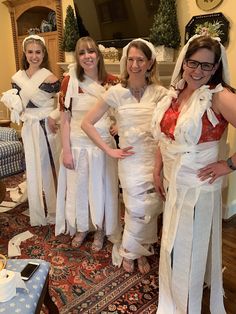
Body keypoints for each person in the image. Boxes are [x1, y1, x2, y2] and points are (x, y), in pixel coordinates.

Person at [152, 35, 236, 314]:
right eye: (193, 63)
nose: (198, 71)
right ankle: (178, 296)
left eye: (206, 66)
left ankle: (184, 304)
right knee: (174, 243)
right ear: (184, 61)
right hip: (174, 180)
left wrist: (229, 165)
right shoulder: (176, 92)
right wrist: (157, 168)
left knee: (187, 246)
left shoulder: (219, 96)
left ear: (216, 68)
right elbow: (165, 138)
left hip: (199, 185)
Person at [81, 38, 167, 273]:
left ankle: (140, 250)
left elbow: (166, 130)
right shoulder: (116, 93)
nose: (135, 65)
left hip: (153, 160)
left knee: (150, 209)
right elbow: (86, 123)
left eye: (140, 60)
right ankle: (130, 251)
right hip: (129, 161)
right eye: (131, 59)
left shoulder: (161, 93)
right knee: (134, 208)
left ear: (150, 63)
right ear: (125, 61)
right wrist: (109, 149)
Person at [55, 37, 121, 253]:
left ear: (98, 55)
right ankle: (83, 227)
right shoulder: (68, 81)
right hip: (76, 144)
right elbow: (65, 118)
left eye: (91, 51)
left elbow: (125, 112)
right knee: (79, 189)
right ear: (77, 57)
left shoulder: (113, 82)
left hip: (102, 146)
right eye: (82, 53)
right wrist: (66, 151)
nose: (87, 56)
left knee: (102, 188)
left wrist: (118, 125)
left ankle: (100, 229)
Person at [1, 35, 61, 226]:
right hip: (29, 128)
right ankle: (37, 211)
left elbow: (63, 102)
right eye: (30, 52)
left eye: (38, 52)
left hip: (46, 127)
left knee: (50, 168)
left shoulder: (51, 77)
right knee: (33, 169)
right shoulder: (17, 78)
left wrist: (55, 117)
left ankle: (56, 209)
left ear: (44, 54)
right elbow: (19, 102)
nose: (34, 56)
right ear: (25, 54)